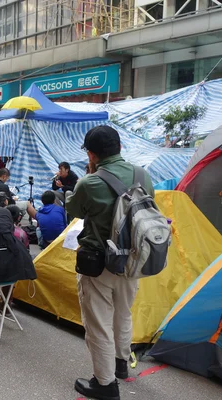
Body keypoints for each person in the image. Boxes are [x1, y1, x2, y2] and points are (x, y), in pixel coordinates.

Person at [65, 125, 155, 400]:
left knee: (98, 324)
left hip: (100, 263)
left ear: (91, 154)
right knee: (123, 313)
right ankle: (120, 364)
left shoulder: (89, 182)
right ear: (119, 147)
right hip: (135, 260)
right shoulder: (142, 174)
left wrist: (90, 175)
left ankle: (105, 385)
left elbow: (74, 210)